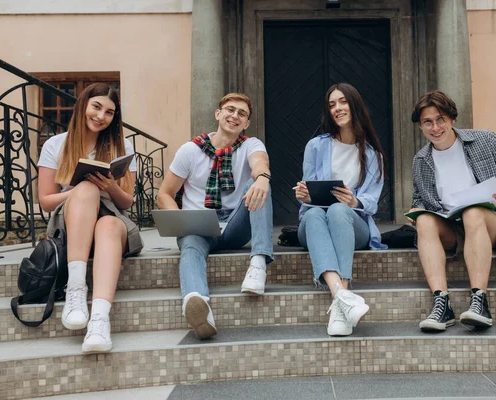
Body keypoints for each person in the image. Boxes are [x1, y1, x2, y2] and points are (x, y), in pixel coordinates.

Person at [157, 93, 273, 340]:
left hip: (234, 225)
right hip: (199, 225)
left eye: (242, 114)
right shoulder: (190, 150)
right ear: (218, 114)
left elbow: (259, 162)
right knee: (190, 245)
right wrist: (179, 220)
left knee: (260, 185)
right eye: (230, 110)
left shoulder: (250, 145)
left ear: (246, 123)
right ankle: (198, 304)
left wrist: (262, 177)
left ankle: (259, 264)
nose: (235, 116)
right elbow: (165, 194)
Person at [409, 90, 496, 332]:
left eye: (440, 119)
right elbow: (420, 198)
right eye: (427, 122)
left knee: (472, 212)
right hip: (452, 228)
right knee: (423, 221)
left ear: (452, 119)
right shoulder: (421, 160)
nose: (435, 127)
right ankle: (442, 304)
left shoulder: (483, 140)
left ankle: (479, 302)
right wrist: (417, 210)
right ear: (420, 127)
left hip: (487, 222)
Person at [38, 83, 142, 353]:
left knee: (107, 223)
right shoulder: (55, 145)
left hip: (112, 220)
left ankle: (99, 320)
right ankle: (75, 289)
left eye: (109, 112)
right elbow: (46, 200)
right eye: (96, 107)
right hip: (71, 224)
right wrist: (80, 192)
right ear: (83, 105)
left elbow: (127, 202)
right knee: (84, 189)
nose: (101, 116)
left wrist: (109, 188)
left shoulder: (122, 145)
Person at [294, 83, 387, 337]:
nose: (337, 108)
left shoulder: (372, 154)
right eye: (332, 104)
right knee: (314, 212)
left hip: (352, 224)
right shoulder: (315, 146)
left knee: (338, 210)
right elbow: (308, 188)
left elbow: (372, 201)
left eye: (343, 102)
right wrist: (304, 194)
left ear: (354, 104)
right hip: (313, 223)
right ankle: (342, 297)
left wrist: (353, 201)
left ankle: (339, 297)